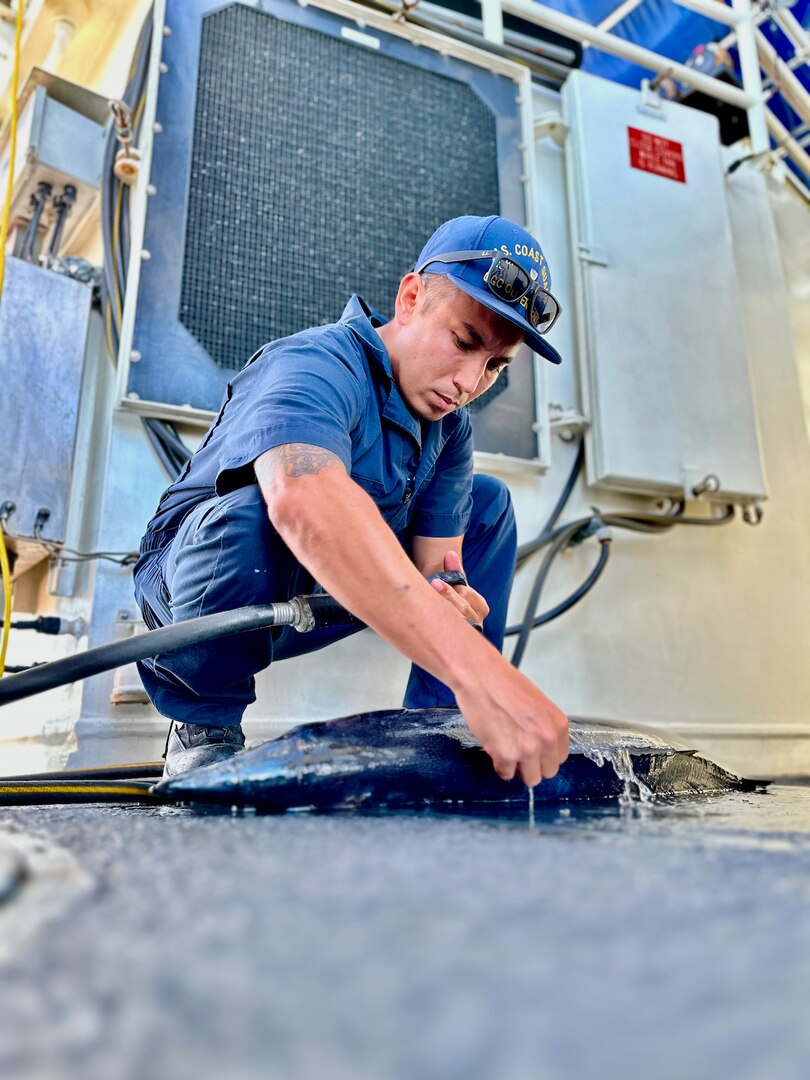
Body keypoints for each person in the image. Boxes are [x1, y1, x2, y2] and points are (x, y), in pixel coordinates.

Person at [133, 214, 569, 782]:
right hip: (196, 594)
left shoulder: (450, 428)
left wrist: (452, 594)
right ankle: (204, 725)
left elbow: (442, 569)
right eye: (464, 342)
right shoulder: (315, 363)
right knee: (259, 515)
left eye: (495, 366)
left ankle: (442, 732)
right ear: (411, 298)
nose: (469, 382)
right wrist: (482, 672)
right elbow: (304, 502)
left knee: (488, 504)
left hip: (316, 594)